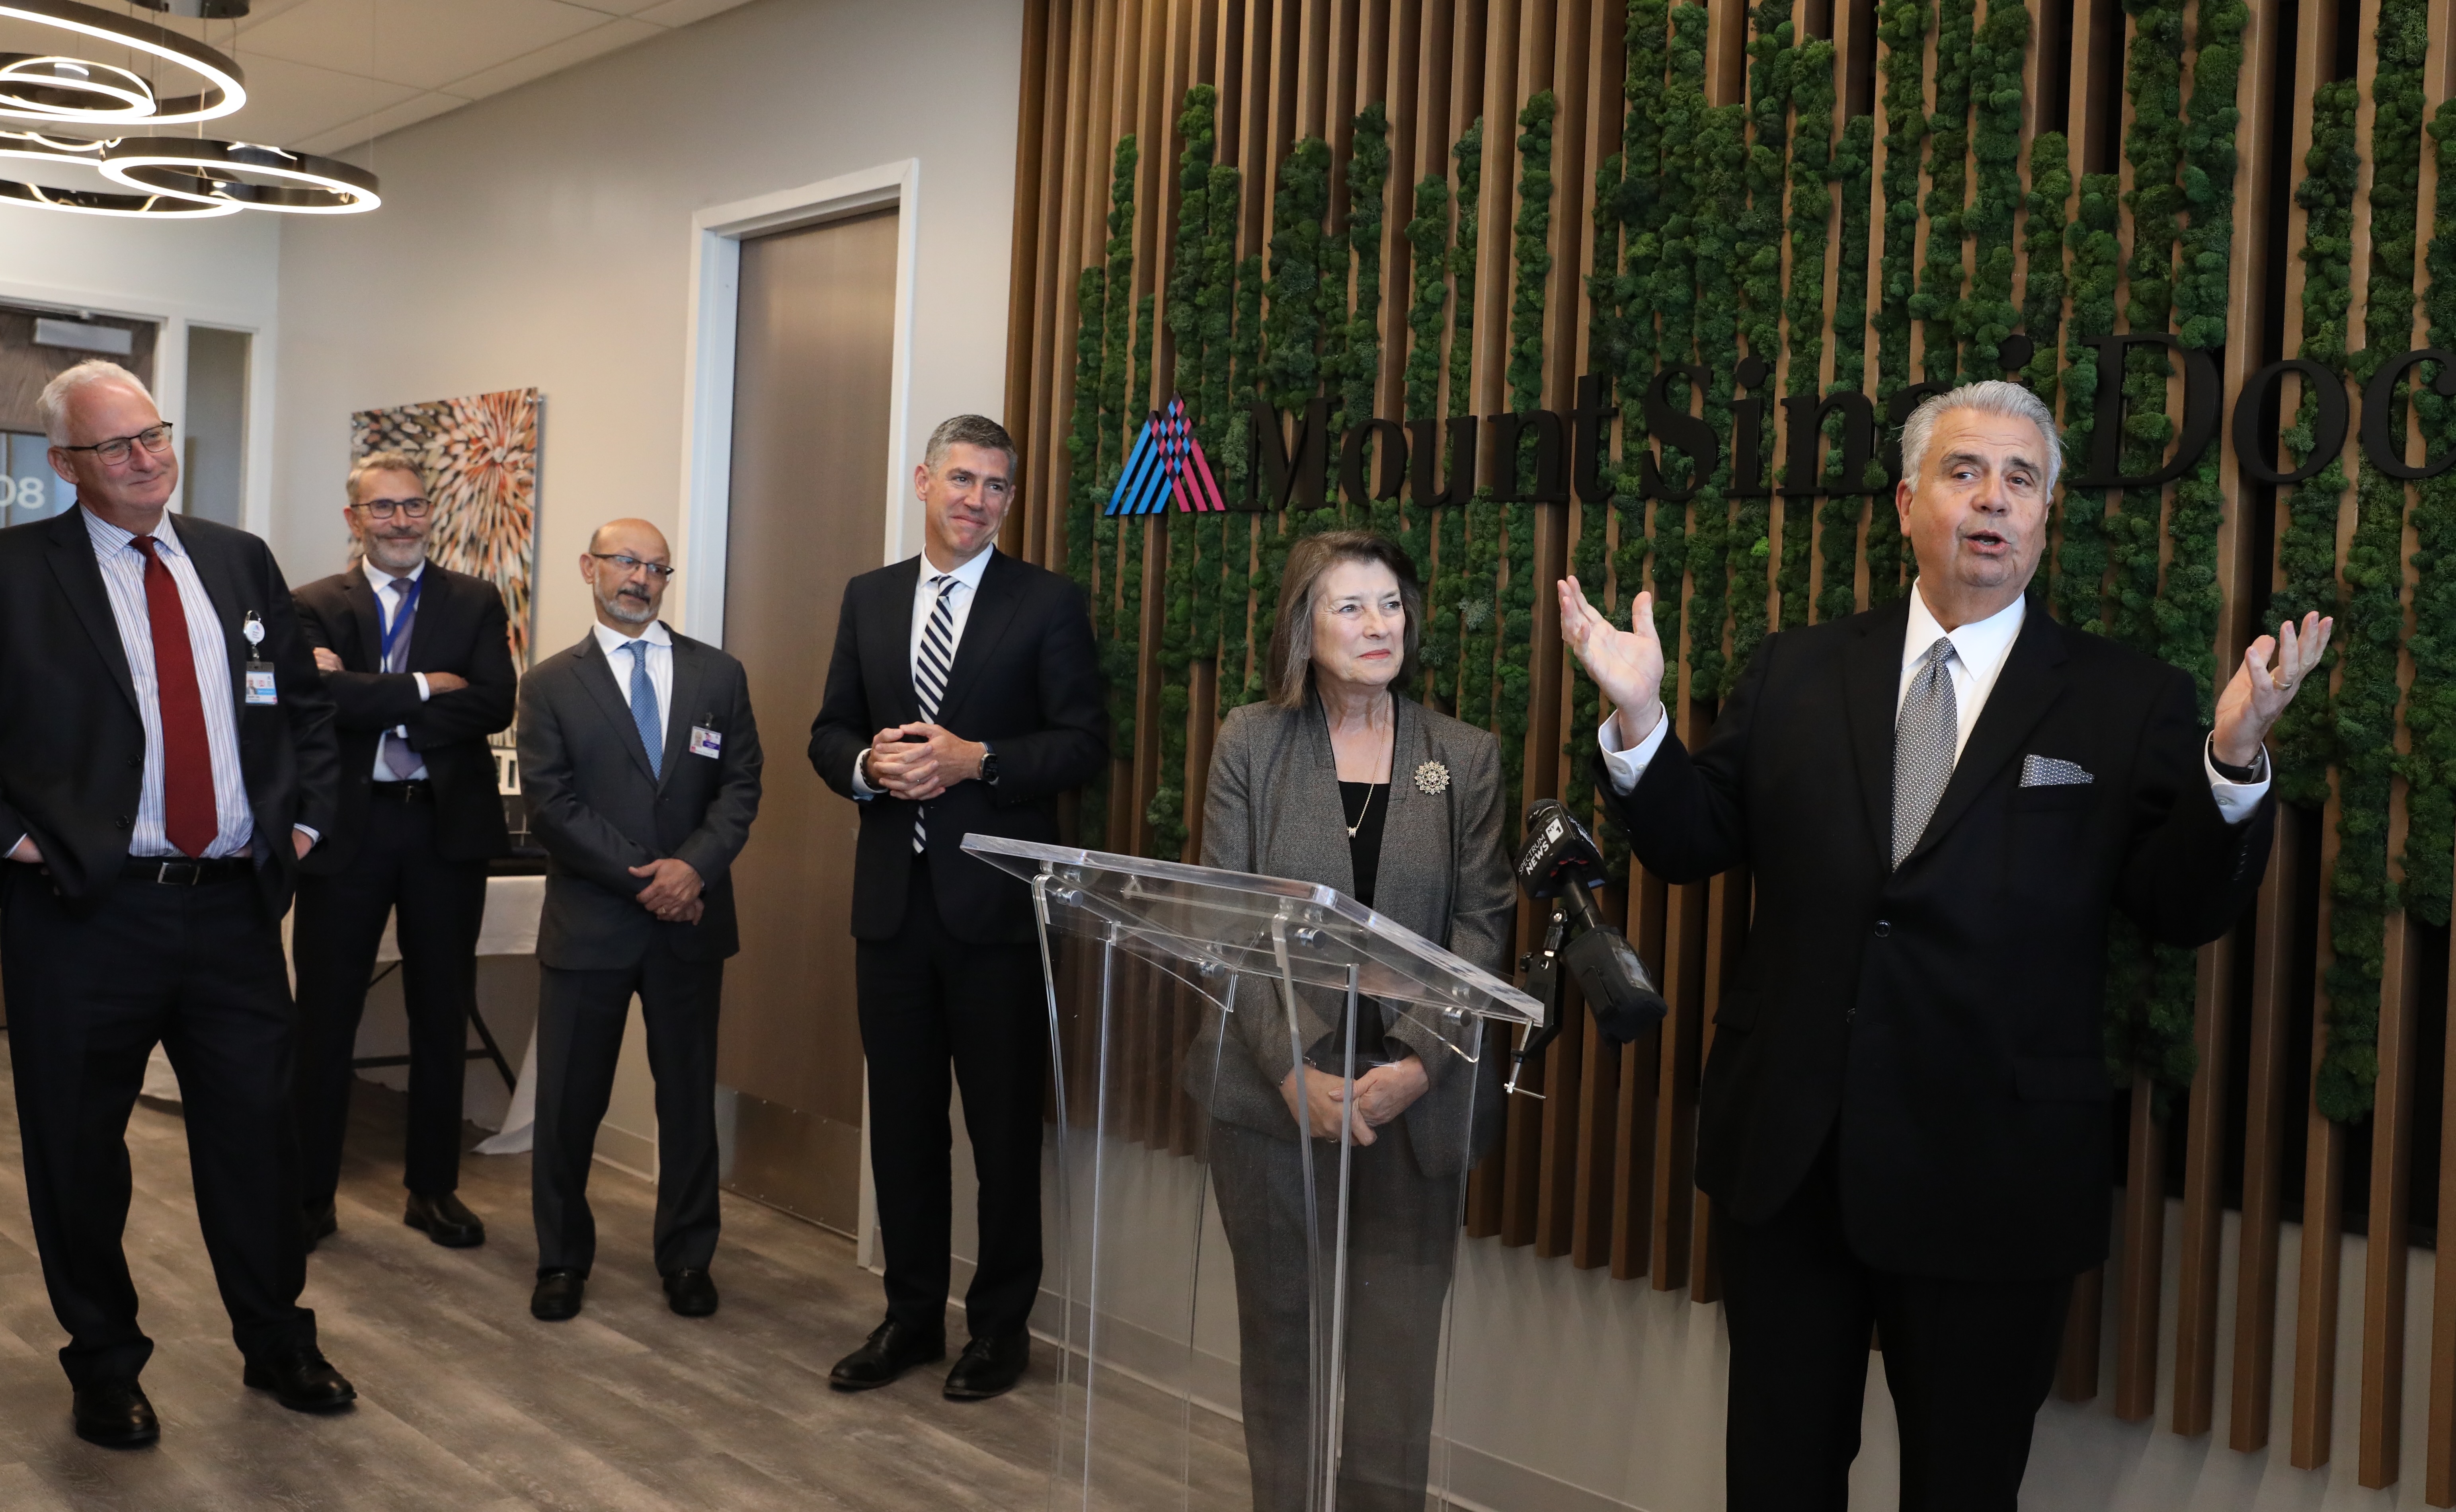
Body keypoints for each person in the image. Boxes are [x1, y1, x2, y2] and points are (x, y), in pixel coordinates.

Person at [1557, 378, 2329, 1511]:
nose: (1992, 499)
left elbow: (2180, 910)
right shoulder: (1796, 669)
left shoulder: (2126, 698)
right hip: (1792, 1157)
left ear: (2046, 514)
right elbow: (1689, 841)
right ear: (1906, 501)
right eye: (1963, 472)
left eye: (2020, 479)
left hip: (1994, 1169)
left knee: (1962, 1489)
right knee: (1775, 1478)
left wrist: (2231, 763)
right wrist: (1640, 721)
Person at [0, 359, 351, 1447]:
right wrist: (17, 840)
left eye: (154, 434)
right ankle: (105, 1361)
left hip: (233, 908)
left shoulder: (238, 560)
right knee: (79, 1151)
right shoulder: (16, 571)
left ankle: (277, 1339)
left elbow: (304, 709)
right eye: (116, 445)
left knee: (258, 1140)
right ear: (65, 465)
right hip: (82, 912)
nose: (147, 458)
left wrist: (302, 822)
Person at [1195, 529, 1512, 1512]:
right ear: (1304, 625)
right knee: (1281, 1353)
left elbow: (1481, 926)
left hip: (1411, 1105)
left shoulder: (1462, 756)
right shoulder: (1251, 741)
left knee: (1393, 1372)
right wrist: (1292, 1070)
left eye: (1390, 605)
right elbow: (1228, 919)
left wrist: (1416, 1063)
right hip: (1272, 1095)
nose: (1379, 625)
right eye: (1350, 606)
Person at [808, 414, 1105, 1401]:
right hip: (890, 911)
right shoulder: (868, 597)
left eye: (997, 486)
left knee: (1002, 1134)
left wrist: (979, 760)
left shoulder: (1046, 603)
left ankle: (998, 1330)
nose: (978, 500)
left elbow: (1082, 744)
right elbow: (828, 731)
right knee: (902, 1128)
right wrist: (866, 766)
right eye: (963, 480)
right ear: (923, 481)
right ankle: (908, 1318)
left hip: (996, 918)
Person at [515, 518, 762, 1323]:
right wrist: (648, 879)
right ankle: (561, 1259)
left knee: (687, 1101)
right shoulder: (549, 684)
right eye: (626, 562)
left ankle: (688, 1258)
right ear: (589, 567)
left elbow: (741, 788)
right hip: (591, 924)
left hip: (691, 922)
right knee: (568, 1104)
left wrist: (693, 869)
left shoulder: (718, 675)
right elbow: (552, 805)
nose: (641, 579)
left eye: (657, 568)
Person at [291, 450, 517, 1252]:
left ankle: (432, 1189)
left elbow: (494, 702)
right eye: (382, 508)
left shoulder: (475, 600)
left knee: (440, 1012)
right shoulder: (313, 604)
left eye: (413, 505)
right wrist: (425, 688)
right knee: (324, 1018)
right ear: (354, 519)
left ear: (430, 513)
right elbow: (312, 699)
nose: (400, 521)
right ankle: (308, 1195)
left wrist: (366, 698)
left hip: (442, 831)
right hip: (347, 832)